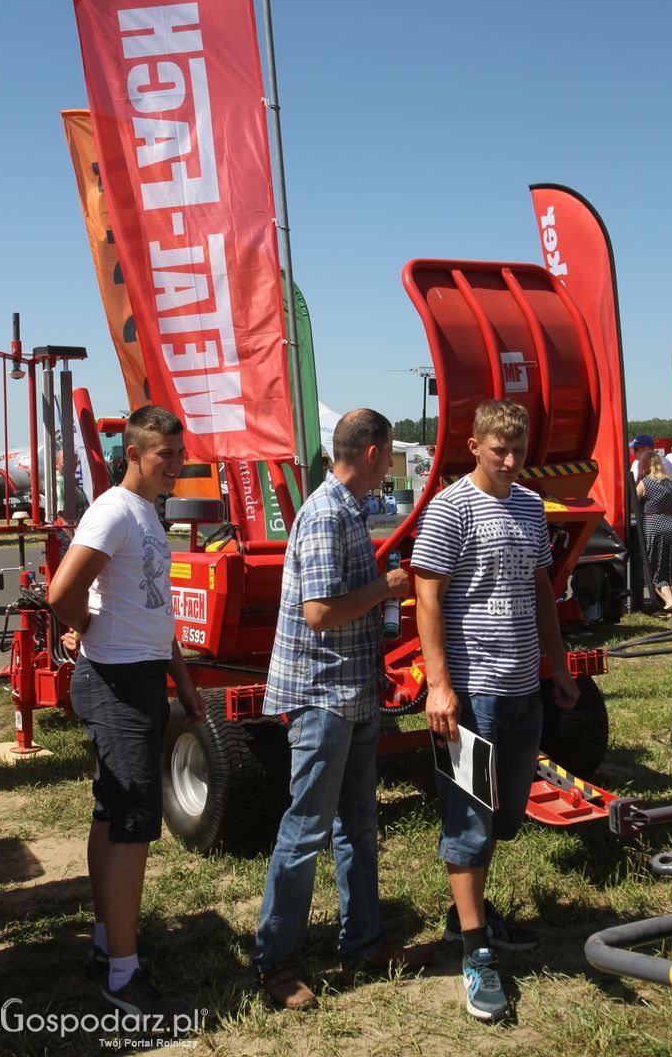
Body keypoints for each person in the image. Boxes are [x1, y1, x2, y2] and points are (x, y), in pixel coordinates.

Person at [254, 408, 435, 1011]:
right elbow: (321, 612)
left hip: (351, 691)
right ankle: (275, 961)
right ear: (375, 451)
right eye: (389, 456)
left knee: (357, 825)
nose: (391, 466)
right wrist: (385, 588)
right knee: (305, 830)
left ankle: (363, 941)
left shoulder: (347, 510)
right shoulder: (329, 514)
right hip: (321, 697)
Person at [412, 399, 579, 1024]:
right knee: (470, 818)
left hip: (519, 689)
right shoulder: (451, 508)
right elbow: (428, 595)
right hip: (471, 694)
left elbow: (541, 589)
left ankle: (468, 913)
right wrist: (438, 685)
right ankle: (476, 949)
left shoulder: (532, 506)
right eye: (499, 449)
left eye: (518, 449)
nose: (510, 461)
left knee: (506, 814)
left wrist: (557, 667)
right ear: (474, 445)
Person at [48, 405, 205, 1026]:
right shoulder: (115, 509)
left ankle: (106, 941)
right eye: (165, 455)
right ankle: (124, 976)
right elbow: (62, 594)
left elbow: (155, 609)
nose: (176, 464)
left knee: (112, 813)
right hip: (114, 679)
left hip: (141, 675)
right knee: (134, 825)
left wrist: (184, 681)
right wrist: (94, 635)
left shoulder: (146, 515)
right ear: (134, 454)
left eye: (178, 453)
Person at [636, 451, 672, 611]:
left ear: (644, 465)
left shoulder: (645, 482)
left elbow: (631, 503)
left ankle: (670, 604)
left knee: (656, 568)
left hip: (656, 527)